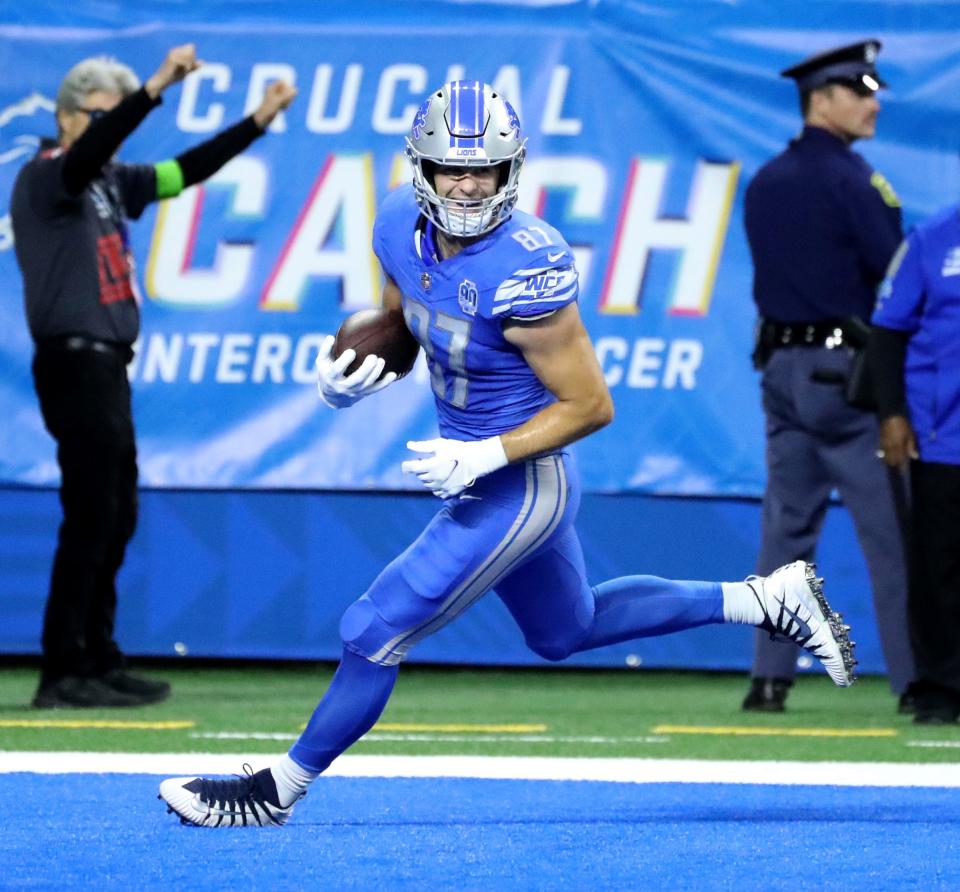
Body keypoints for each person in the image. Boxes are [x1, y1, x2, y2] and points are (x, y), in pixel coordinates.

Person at [158, 80, 855, 827]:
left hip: (521, 482)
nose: (466, 184)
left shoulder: (529, 264)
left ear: (510, 171)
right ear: (420, 169)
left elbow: (591, 405)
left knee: (373, 627)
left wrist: (486, 453)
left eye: (483, 169)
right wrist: (350, 380)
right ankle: (765, 598)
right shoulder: (397, 221)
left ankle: (278, 790)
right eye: (452, 168)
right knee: (566, 630)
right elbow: (404, 323)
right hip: (480, 467)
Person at [11, 45, 297, 709]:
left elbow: (185, 170)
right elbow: (88, 153)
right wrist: (157, 86)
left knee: (116, 512)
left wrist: (257, 121)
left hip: (107, 365)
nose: (114, 129)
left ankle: (97, 656)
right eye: (101, 117)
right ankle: (61, 670)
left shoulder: (111, 182)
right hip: (73, 360)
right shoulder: (48, 176)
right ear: (67, 117)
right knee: (91, 514)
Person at [741, 40, 917, 713]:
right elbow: (894, 277)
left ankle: (767, 680)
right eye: (862, 90)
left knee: (784, 535)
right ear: (824, 99)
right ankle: (916, 682)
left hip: (780, 374)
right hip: (845, 378)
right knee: (891, 537)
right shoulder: (853, 180)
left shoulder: (767, 181)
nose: (873, 103)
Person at [868, 206, 960, 724]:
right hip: (942, 435)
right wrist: (892, 413)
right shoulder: (932, 241)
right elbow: (887, 332)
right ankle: (941, 688)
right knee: (937, 567)